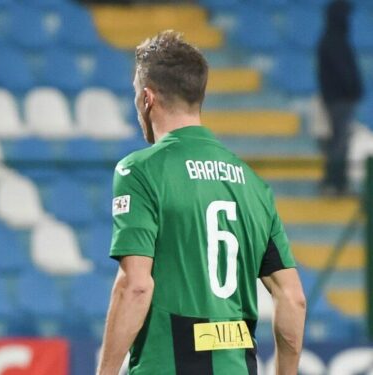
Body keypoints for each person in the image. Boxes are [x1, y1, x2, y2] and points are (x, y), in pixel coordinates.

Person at [96, 30, 307, 375]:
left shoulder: (140, 170)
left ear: (147, 98)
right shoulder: (253, 185)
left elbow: (136, 285)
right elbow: (292, 298)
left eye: (136, 94)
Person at [317, 0, 363, 196]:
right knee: (339, 142)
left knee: (340, 141)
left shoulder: (332, 39)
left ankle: (337, 182)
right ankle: (335, 183)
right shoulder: (334, 41)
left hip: (337, 99)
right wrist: (353, 90)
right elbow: (344, 72)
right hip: (339, 101)